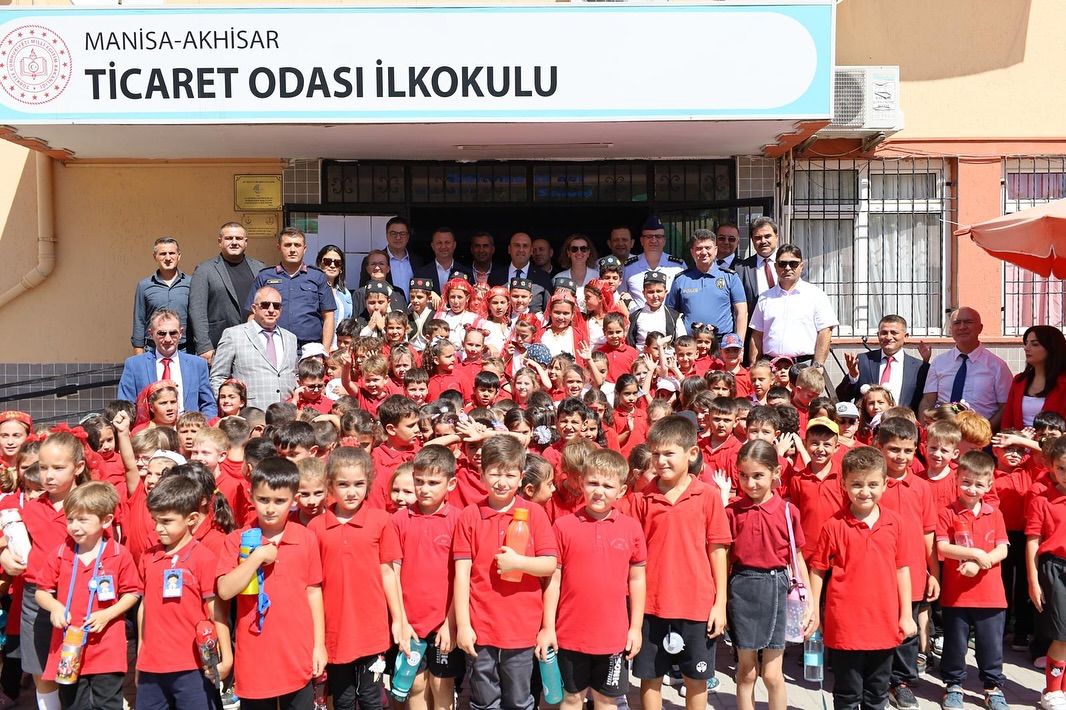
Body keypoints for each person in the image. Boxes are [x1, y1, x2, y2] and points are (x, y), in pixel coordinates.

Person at [631, 416, 731, 710]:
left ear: (692, 453)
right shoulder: (642, 498)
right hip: (651, 605)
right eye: (656, 453)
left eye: (669, 453)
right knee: (650, 678)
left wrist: (720, 603)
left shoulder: (708, 496)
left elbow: (718, 551)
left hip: (696, 606)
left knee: (696, 679)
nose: (661, 461)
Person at [537, 448, 647, 710]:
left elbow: (637, 580)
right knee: (571, 699)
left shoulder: (631, 528)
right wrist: (548, 627)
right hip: (569, 634)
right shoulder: (563, 527)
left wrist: (635, 628)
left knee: (607, 701)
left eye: (608, 486)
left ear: (621, 491)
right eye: (593, 483)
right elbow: (553, 580)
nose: (599, 491)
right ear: (581, 483)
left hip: (613, 637)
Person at [453, 435, 558, 710]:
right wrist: (463, 625)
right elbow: (462, 575)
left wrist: (518, 563)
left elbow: (550, 564)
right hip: (480, 627)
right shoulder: (470, 516)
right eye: (494, 473)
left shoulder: (534, 514)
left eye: (510, 475)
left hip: (522, 628)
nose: (502, 482)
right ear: (481, 474)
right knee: (483, 700)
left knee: (519, 700)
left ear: (521, 477)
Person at [808, 446, 916, 710]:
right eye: (856, 484)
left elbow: (902, 569)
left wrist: (906, 614)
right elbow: (818, 569)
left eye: (872, 484)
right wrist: (814, 611)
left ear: (885, 484)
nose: (864, 491)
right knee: (847, 693)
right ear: (844, 484)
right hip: (845, 625)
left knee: (877, 692)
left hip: (883, 623)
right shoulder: (833, 525)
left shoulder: (895, 523)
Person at [217, 457, 326, 707]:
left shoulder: (306, 538)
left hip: (296, 651)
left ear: (294, 500)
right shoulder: (237, 540)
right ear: (251, 496)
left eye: (280, 501)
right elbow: (224, 590)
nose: (270, 508)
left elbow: (313, 593)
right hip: (255, 655)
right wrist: (256, 558)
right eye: (263, 499)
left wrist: (319, 645)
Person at [307, 446, 405, 710]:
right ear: (330, 485)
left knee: (372, 698)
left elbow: (388, 573)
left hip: (372, 627)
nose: (351, 492)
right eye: (343, 484)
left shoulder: (381, 521)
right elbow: (313, 584)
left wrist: (398, 619)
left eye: (359, 484)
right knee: (343, 699)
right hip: (334, 630)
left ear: (369, 484)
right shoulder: (316, 527)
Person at [34, 482, 141, 710]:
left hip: (106, 647)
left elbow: (132, 592)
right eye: (70, 519)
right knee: (73, 703)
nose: (74, 526)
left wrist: (107, 614)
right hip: (68, 646)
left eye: (82, 520)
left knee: (108, 703)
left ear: (106, 520)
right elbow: (42, 590)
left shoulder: (119, 555)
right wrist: (54, 607)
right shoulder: (61, 553)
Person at [727, 440, 812, 710]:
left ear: (776, 472)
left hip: (777, 587)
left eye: (758, 475)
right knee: (747, 670)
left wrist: (809, 601)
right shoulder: (732, 512)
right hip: (742, 589)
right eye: (744, 475)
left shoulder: (788, 511)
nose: (750, 483)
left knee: (772, 675)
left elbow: (797, 558)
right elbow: (724, 559)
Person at [138, 474, 233, 709]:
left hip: (194, 666)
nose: (158, 528)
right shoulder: (148, 557)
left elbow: (215, 610)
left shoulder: (203, 558)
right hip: (151, 666)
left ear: (191, 518)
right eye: (155, 520)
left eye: (166, 521)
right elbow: (145, 607)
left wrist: (227, 657)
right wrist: (141, 654)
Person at [935, 451, 1010, 710]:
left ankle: (993, 688)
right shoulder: (947, 512)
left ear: (989, 485)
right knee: (955, 646)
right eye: (966, 482)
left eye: (979, 484)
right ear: (957, 479)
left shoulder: (995, 514)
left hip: (991, 596)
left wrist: (979, 562)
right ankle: (953, 686)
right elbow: (943, 547)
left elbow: (1003, 549)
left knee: (991, 647)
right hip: (956, 596)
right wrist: (976, 554)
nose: (971, 488)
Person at [392, 445, 465, 710]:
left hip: (443, 623)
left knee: (441, 684)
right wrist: (401, 621)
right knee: (414, 684)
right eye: (419, 481)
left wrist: (451, 623)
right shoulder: (399, 520)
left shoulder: (460, 520)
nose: (424, 489)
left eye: (433, 483)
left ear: (451, 484)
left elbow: (463, 576)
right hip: (410, 624)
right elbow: (393, 574)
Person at [874, 417, 938, 710]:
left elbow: (928, 533)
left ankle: (900, 682)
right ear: (879, 447)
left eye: (908, 450)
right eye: (894, 449)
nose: (901, 456)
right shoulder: (872, 483)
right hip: (877, 571)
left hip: (912, 572)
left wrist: (934, 572)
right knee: (878, 626)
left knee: (907, 630)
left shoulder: (922, 486)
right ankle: (876, 680)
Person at [919, 307, 1013, 428]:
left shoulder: (997, 366)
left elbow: (1005, 406)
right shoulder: (939, 362)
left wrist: (984, 430)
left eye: (968, 322)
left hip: (979, 436)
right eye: (957, 323)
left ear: (980, 328)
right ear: (950, 329)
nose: (962, 327)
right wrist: (923, 432)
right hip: (943, 434)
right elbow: (928, 401)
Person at [1025, 436, 1066, 710]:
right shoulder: (1042, 499)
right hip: (1055, 569)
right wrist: (1033, 580)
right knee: (1062, 634)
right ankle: (1052, 691)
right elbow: (1032, 541)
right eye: (1061, 468)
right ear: (1051, 466)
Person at [248, 227, 335, 353]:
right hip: (272, 346)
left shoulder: (318, 277)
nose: (293, 250)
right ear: (279, 247)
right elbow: (252, 314)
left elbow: (328, 317)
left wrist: (325, 351)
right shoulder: (264, 276)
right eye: (287, 245)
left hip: (309, 349)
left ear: (304, 249)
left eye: (297, 245)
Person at [188, 222, 266, 363]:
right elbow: (197, 310)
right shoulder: (204, 270)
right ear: (220, 242)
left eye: (239, 238)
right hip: (218, 345)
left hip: (256, 344)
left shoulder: (259, 268)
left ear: (246, 242)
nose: (234, 242)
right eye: (229, 238)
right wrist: (204, 346)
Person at [748, 244, 837, 367]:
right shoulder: (765, 298)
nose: (788, 268)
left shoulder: (816, 295)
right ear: (775, 266)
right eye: (782, 264)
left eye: (793, 264)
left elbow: (825, 331)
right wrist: (754, 366)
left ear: (801, 266)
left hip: (804, 366)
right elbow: (757, 336)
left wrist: (817, 366)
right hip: (771, 367)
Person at [210, 287, 299, 411]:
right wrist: (228, 410)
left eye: (276, 306)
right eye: (265, 305)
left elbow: (295, 375)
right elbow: (218, 377)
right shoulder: (234, 335)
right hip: (249, 414)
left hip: (286, 414)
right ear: (254, 308)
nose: (271, 310)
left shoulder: (291, 338)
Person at [118, 308, 218, 417]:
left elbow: (208, 404)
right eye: (161, 333)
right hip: (150, 427)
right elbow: (125, 406)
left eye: (173, 333)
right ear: (151, 333)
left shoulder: (197, 365)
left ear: (181, 333)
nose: (167, 339)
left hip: (188, 426)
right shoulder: (134, 365)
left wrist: (200, 425)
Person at [836, 315, 930, 413]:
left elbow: (926, 402)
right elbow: (842, 397)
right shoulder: (863, 361)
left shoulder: (919, 368)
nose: (888, 337)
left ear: (905, 336)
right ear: (878, 335)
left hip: (904, 421)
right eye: (884, 333)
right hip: (869, 422)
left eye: (894, 333)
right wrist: (853, 377)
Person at [666, 229, 747, 338]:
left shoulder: (730, 277)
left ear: (715, 250)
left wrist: (739, 343)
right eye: (699, 248)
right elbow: (670, 314)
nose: (704, 252)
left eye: (708, 248)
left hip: (721, 342)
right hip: (691, 342)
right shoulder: (681, 280)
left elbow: (742, 312)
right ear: (692, 252)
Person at [132, 237, 191, 354]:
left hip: (185, 350)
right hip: (153, 350)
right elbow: (139, 322)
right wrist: (138, 354)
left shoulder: (192, 284)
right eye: (163, 254)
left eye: (171, 253)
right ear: (155, 257)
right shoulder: (144, 286)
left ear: (179, 256)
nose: (168, 258)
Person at [1002, 325, 1066, 430]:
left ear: (1052, 348)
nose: (1026, 348)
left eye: (1035, 344)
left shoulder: (1063, 383)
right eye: (1026, 343)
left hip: (1052, 440)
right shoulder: (1019, 380)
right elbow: (1007, 421)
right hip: (1016, 439)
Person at [622, 216, 686, 310]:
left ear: (664, 241)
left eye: (658, 236)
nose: (654, 240)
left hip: (669, 318)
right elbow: (621, 296)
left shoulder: (678, 266)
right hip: (637, 318)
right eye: (649, 236)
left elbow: (685, 296)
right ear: (642, 241)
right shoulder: (629, 267)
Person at [489, 232, 554, 313]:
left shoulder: (543, 277)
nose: (521, 250)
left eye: (525, 246)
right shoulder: (495, 276)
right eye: (517, 245)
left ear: (531, 251)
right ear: (509, 249)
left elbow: (548, 311)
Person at [412, 227, 473, 295]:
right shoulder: (421, 273)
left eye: (447, 242)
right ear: (433, 246)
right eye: (439, 243)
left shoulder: (466, 272)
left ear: (454, 245)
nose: (443, 247)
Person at [352, 250, 408, 316]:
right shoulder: (359, 294)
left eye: (381, 263)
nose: (377, 267)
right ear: (367, 269)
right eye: (373, 264)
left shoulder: (398, 293)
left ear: (388, 268)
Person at [554, 234, 599, 310]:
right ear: (568, 253)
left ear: (588, 253)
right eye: (574, 249)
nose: (579, 252)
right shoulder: (558, 278)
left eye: (583, 249)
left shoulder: (597, 277)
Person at [317, 245, 353, 335]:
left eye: (337, 263)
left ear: (341, 268)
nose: (332, 265)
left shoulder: (345, 293)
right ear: (319, 263)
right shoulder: (312, 290)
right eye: (327, 261)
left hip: (340, 342)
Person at [384, 217, 423, 300]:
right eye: (393, 233)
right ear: (387, 236)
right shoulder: (375, 260)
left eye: (402, 234)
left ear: (408, 237)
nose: (398, 237)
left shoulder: (418, 261)